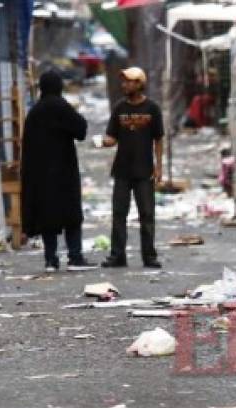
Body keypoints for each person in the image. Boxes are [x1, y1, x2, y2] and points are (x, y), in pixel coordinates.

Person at [21, 70, 90, 271]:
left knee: (47, 216)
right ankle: (75, 256)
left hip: (40, 174)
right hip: (64, 172)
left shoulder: (35, 112)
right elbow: (81, 130)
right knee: (71, 215)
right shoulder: (62, 107)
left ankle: (51, 259)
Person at [97, 66, 164, 268]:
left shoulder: (152, 109)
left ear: (140, 84)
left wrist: (158, 166)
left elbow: (158, 139)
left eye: (130, 81)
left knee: (147, 214)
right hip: (122, 171)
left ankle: (149, 256)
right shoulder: (119, 108)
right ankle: (117, 255)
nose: (125, 84)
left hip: (144, 171)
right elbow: (112, 136)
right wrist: (106, 141)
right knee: (119, 213)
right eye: (124, 81)